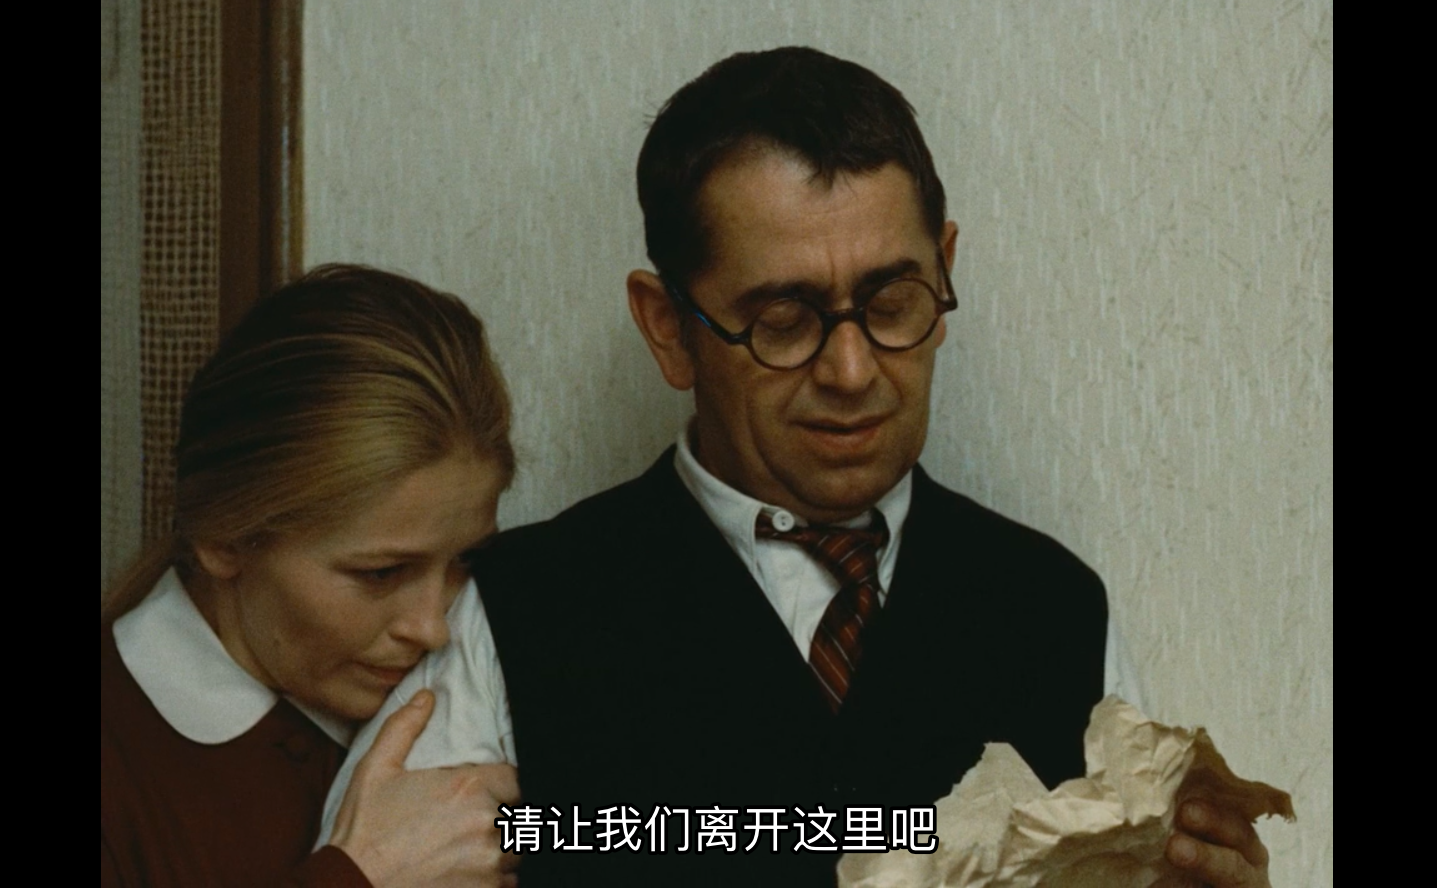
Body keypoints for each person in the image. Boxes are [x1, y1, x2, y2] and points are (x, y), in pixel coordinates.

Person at [324, 48, 1271, 887]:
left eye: (893, 304)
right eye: (784, 321)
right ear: (669, 328)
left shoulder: (1054, 610)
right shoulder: (521, 614)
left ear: (944, 268)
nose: (852, 372)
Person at [101, 265, 523, 888]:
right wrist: (363, 875)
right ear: (224, 536)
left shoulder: (479, 665)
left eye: (466, 560)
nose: (433, 628)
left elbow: (640, 831)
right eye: (380, 572)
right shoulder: (121, 761)